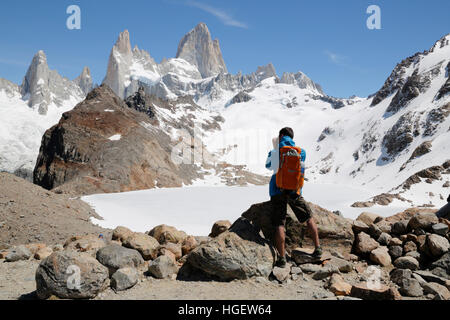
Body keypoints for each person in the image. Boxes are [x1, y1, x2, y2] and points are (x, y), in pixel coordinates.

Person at [265, 127, 322, 267]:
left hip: (277, 191)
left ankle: (282, 257)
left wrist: (275, 149)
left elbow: (268, 166)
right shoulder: (301, 152)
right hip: (294, 191)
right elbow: (300, 170)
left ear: (282, 135)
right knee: (308, 217)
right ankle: (318, 248)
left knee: (279, 223)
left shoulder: (275, 151)